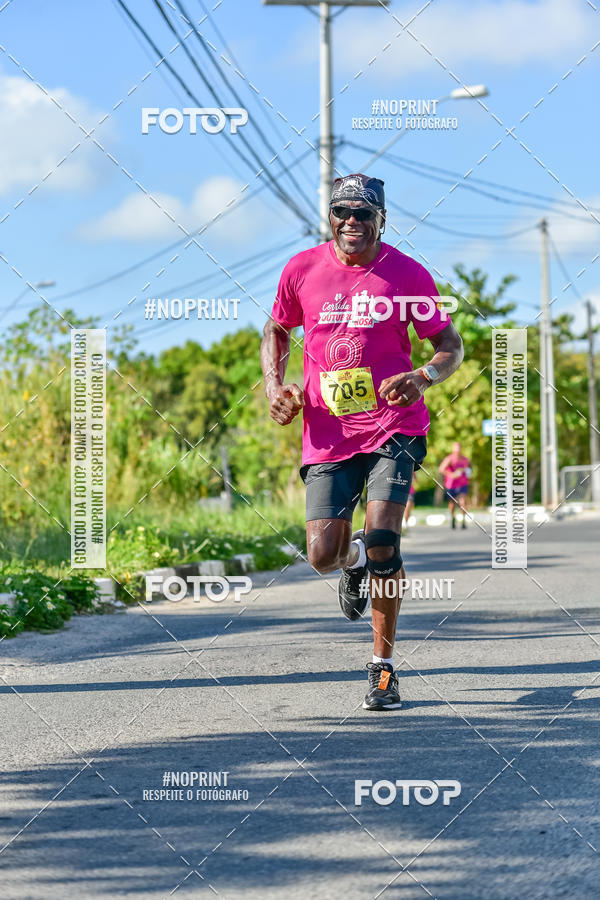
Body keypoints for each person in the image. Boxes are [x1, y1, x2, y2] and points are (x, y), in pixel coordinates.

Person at [260, 173, 463, 711]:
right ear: (330, 217)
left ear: (381, 219)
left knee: (383, 542)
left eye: (363, 214)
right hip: (326, 434)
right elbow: (277, 329)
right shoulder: (301, 270)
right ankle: (350, 567)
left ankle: (382, 668)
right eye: (341, 212)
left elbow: (449, 343)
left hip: (394, 427)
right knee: (323, 554)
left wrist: (422, 376)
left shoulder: (407, 275)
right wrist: (275, 386)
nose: (352, 222)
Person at [439, 442, 471, 529]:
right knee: (452, 503)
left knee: (463, 502)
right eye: (455, 449)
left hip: (463, 484)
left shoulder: (465, 459)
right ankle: (453, 517)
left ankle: (463, 521)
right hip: (451, 485)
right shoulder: (449, 459)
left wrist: (468, 473)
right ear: (453, 449)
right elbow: (441, 469)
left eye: (459, 449)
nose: (457, 451)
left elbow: (469, 468)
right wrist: (451, 474)